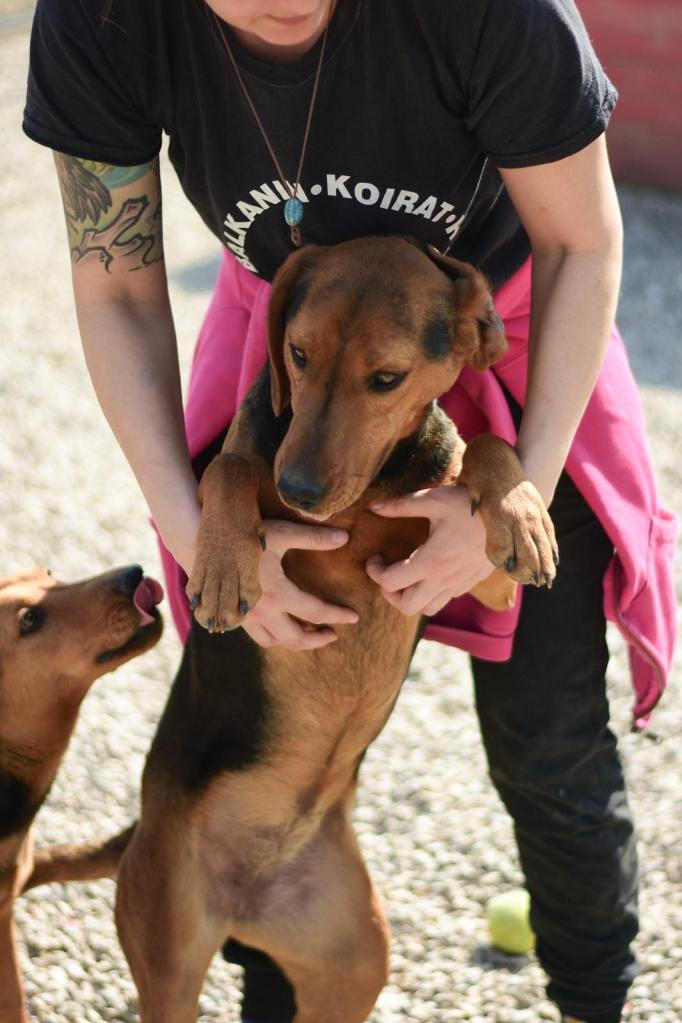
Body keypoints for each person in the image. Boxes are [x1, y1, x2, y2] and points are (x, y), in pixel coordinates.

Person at [23, 1, 677, 1022]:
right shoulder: (106, 19)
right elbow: (115, 289)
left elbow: (581, 245)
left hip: (523, 334)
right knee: (248, 679)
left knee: (548, 739)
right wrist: (197, 528)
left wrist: (521, 485)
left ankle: (597, 1004)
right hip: (301, 330)